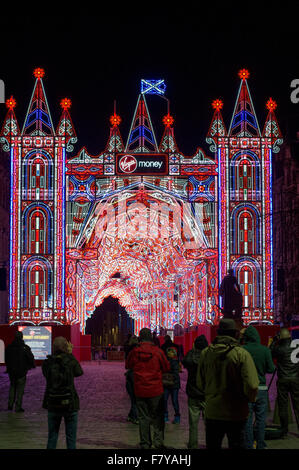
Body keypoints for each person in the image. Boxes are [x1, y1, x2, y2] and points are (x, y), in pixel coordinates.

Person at [197, 318, 259, 449]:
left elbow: (199, 383)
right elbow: (252, 384)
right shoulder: (241, 354)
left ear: (218, 333)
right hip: (236, 412)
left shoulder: (206, 353)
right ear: (235, 334)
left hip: (212, 411)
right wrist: (248, 399)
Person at [126, 328, 170, 449]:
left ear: (140, 337)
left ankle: (145, 443)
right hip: (156, 389)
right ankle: (158, 442)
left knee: (143, 418)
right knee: (158, 417)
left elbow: (128, 365)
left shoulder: (135, 352)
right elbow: (166, 367)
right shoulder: (158, 351)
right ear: (150, 337)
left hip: (140, 389)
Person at [42, 336, 84, 449]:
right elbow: (79, 372)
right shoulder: (69, 361)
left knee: (52, 436)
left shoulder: (47, 363)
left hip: (52, 402)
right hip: (70, 403)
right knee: (71, 438)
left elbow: (46, 375)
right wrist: (70, 354)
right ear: (66, 347)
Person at [242, 325, 276, 449]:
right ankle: (261, 444)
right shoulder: (265, 350)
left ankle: (248, 444)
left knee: (247, 420)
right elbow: (271, 369)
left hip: (247, 390)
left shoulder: (242, 350)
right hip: (261, 389)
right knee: (261, 420)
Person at [270, 327, 299, 437]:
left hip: (283, 379)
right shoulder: (297, 345)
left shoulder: (279, 348)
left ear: (280, 337)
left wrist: (274, 341)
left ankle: (284, 429)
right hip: (296, 379)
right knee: (297, 405)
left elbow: (270, 352)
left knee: (283, 405)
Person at [182, 334, 208, 449]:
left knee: (193, 424)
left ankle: (192, 444)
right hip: (207, 395)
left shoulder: (190, 356)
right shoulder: (209, 357)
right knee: (210, 424)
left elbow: (184, 361)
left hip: (193, 394)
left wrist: (193, 350)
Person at [5, 330, 35, 412]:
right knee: (20, 390)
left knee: (12, 387)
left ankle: (10, 405)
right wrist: (31, 366)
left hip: (12, 372)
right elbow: (30, 358)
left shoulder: (9, 347)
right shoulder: (25, 347)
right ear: (22, 337)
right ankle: (18, 407)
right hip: (22, 372)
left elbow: (6, 359)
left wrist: (9, 368)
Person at [163, 346, 181, 424]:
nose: (170, 354)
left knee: (174, 401)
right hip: (167, 384)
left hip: (173, 384)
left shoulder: (176, 362)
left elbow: (176, 374)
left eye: (171, 352)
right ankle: (166, 416)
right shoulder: (166, 361)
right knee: (165, 400)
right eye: (169, 352)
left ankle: (176, 416)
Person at [125, 335, 139, 424]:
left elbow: (127, 365)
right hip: (137, 375)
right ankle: (134, 417)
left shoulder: (129, 350)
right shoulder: (139, 351)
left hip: (131, 374)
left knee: (133, 399)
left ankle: (131, 415)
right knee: (136, 399)